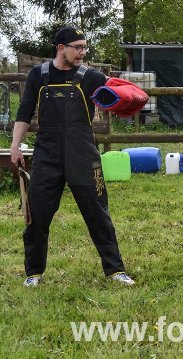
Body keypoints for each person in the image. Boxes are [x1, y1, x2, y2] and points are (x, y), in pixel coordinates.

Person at [10, 26, 134, 287]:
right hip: (47, 153)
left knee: (98, 212)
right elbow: (24, 112)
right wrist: (15, 146)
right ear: (61, 48)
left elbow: (121, 94)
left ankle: (115, 270)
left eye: (84, 47)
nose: (82, 52)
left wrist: (130, 99)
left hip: (83, 153)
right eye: (77, 47)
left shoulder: (91, 76)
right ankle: (33, 273)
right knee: (38, 213)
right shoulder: (38, 75)